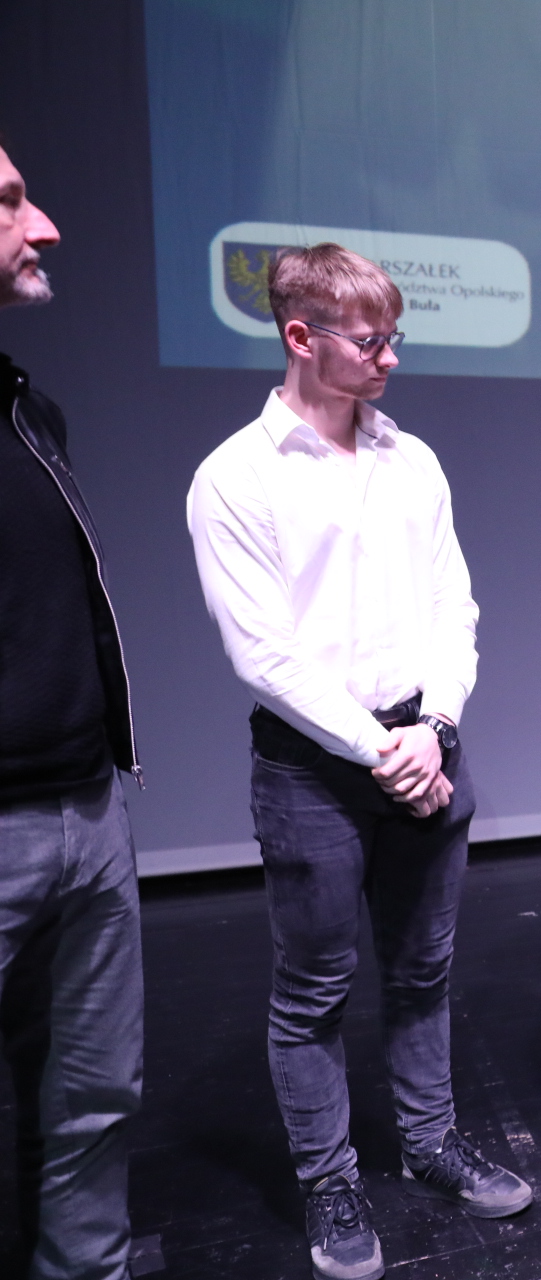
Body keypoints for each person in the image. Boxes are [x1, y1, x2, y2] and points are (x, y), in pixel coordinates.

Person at [187, 243, 532, 1280]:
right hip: (314, 771)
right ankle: (328, 1178)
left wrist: (437, 726)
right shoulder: (235, 477)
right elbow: (264, 655)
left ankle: (429, 1141)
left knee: (424, 969)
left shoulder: (411, 459)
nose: (391, 358)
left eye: (395, 337)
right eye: (370, 341)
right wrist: (386, 748)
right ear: (300, 337)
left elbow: (454, 606)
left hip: (426, 748)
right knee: (313, 991)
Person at [1, 140, 145, 1280]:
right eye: (8, 201)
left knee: (94, 1092)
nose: (44, 224)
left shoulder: (27, 408)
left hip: (86, 810)